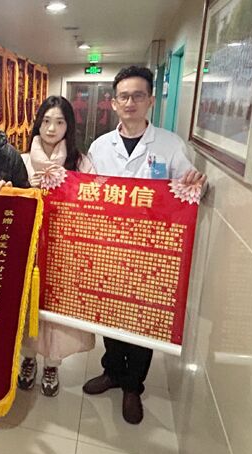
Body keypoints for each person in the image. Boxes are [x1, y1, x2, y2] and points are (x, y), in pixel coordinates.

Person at [83, 66, 206, 424]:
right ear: (113, 102)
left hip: (150, 250)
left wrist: (196, 184)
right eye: (124, 96)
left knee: (142, 319)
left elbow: (190, 190)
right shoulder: (100, 146)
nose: (130, 102)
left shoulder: (170, 145)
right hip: (111, 244)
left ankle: (133, 385)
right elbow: (87, 191)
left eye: (138, 95)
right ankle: (111, 371)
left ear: (151, 100)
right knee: (110, 312)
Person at [17, 96, 96, 397]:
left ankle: (52, 364)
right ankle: (28, 359)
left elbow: (93, 203)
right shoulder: (22, 161)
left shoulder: (81, 163)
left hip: (65, 251)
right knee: (28, 305)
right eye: (46, 121)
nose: (51, 128)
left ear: (68, 126)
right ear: (38, 123)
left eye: (59, 122)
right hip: (29, 250)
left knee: (58, 310)